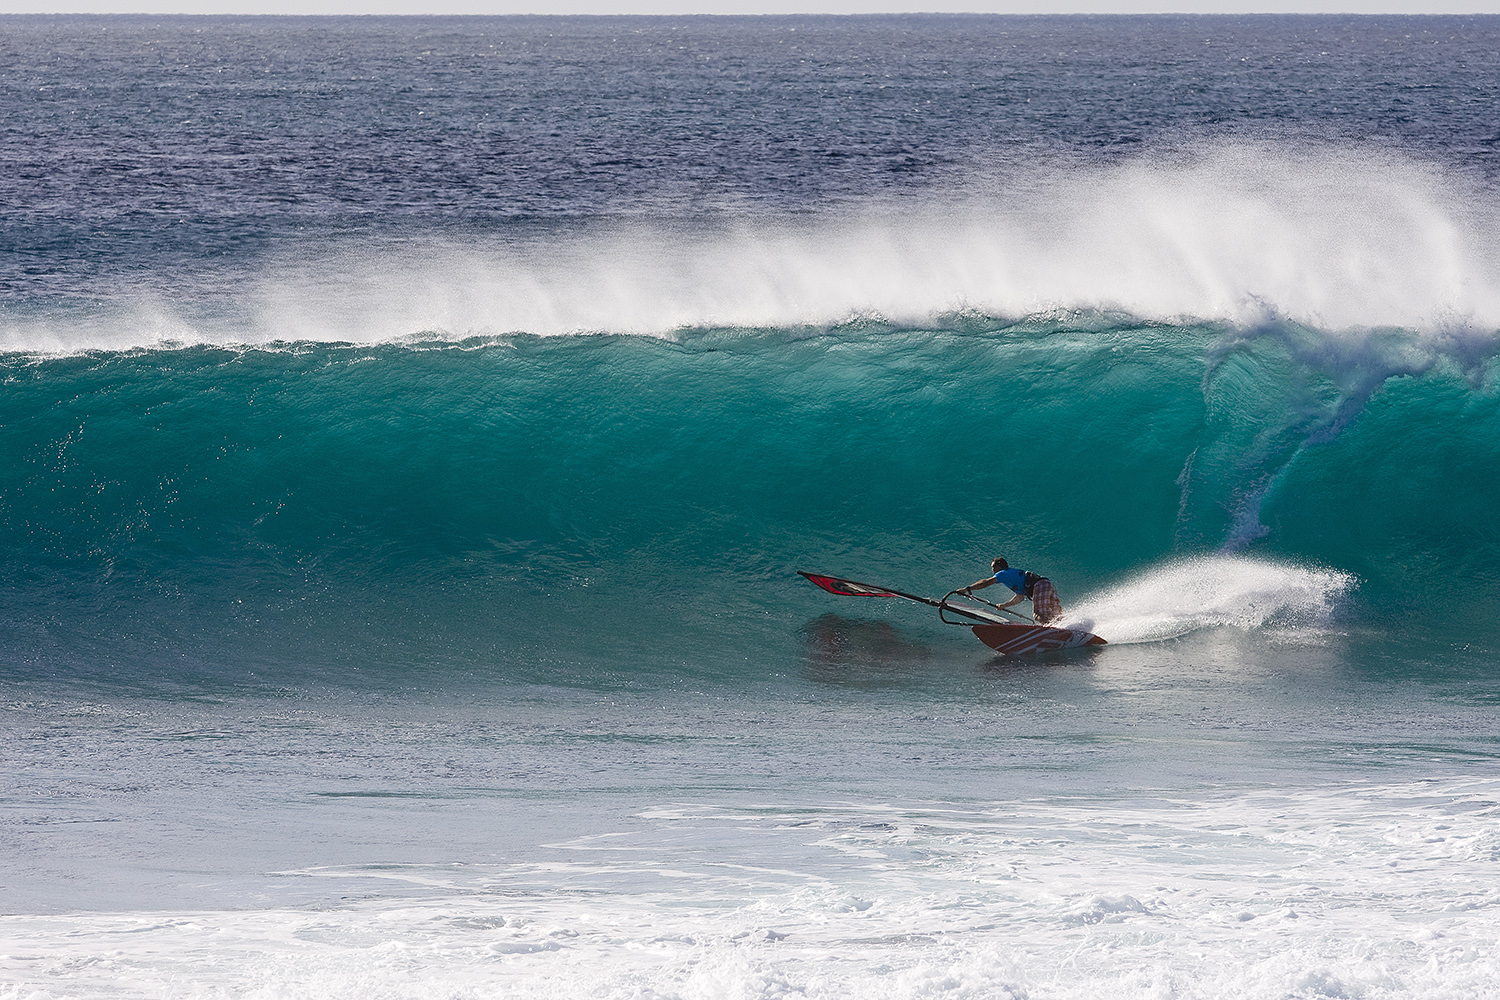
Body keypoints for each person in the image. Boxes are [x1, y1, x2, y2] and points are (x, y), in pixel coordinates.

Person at [959, 557, 1064, 625]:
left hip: (1039, 585)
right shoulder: (1011, 576)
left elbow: (985, 582)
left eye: (994, 567)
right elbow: (1019, 598)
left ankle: (1053, 632)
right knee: (1053, 614)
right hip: (1046, 584)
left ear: (1000, 566)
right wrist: (1004, 605)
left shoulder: (1003, 573)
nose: (992, 570)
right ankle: (1067, 627)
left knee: (1038, 614)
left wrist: (967, 589)